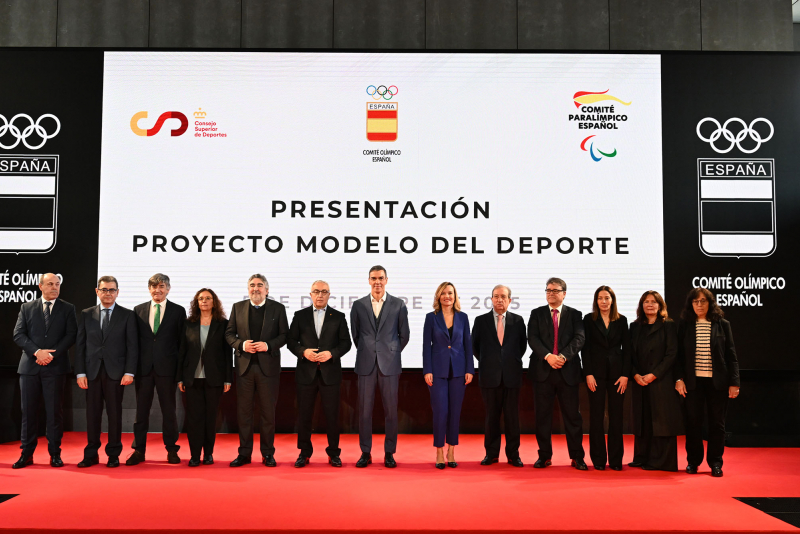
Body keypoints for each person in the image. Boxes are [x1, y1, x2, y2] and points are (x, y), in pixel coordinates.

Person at [12, 273, 77, 469]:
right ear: (40, 286)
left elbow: (71, 335)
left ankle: (55, 454)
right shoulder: (27, 307)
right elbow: (18, 334)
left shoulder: (67, 308)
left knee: (54, 413)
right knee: (28, 413)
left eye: (57, 284)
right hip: (30, 368)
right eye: (50, 284)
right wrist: (37, 352)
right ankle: (27, 454)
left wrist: (51, 355)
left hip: (55, 368)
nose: (55, 287)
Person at [287, 280, 352, 468]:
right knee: (304, 415)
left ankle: (334, 453)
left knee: (332, 416)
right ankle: (304, 453)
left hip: (330, 374)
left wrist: (331, 353)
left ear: (329, 295)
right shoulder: (300, 316)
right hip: (305, 374)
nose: (320, 295)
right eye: (316, 291)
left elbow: (346, 343)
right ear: (311, 294)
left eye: (324, 292)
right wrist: (303, 352)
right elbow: (291, 341)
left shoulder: (338, 317)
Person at [676, 288, 740, 477]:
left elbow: (731, 355)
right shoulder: (685, 325)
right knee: (693, 423)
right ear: (691, 304)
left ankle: (715, 463)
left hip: (717, 383)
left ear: (710, 303)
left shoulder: (722, 324)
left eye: (703, 301)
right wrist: (678, 379)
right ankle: (693, 462)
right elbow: (678, 356)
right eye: (696, 301)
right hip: (692, 383)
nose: (699, 305)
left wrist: (734, 382)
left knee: (717, 424)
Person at [225, 274, 288, 467]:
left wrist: (268, 345)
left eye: (260, 285)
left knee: (268, 414)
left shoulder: (278, 308)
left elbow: (285, 335)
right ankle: (244, 453)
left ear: (267, 290)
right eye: (252, 285)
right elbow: (229, 334)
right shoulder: (238, 307)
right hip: (244, 368)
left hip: (268, 369)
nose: (256, 288)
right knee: (244, 414)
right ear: (248, 289)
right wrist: (241, 345)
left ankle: (268, 453)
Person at [75, 276, 138, 468]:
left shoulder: (127, 315)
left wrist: (130, 372)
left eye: (112, 290)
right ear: (97, 291)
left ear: (117, 292)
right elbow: (80, 346)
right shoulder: (86, 314)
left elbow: (132, 346)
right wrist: (80, 373)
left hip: (116, 373)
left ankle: (113, 454)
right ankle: (91, 454)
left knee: (114, 414)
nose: (108, 293)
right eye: (104, 290)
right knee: (92, 415)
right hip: (91, 373)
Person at [351, 265, 410, 468]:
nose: (377, 282)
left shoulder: (399, 305)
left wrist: (390, 352)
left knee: (391, 412)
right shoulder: (358, 305)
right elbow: (356, 335)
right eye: (373, 278)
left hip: (390, 365)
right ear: (368, 280)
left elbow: (405, 335)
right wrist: (370, 351)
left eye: (381, 278)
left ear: (386, 280)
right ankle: (365, 452)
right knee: (364, 412)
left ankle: (389, 453)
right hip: (366, 364)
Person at [527, 277, 587, 470]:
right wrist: (548, 356)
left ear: (564, 294)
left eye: (555, 290)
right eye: (548, 290)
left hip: (567, 371)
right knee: (542, 417)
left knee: (572, 417)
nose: (551, 293)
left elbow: (579, 338)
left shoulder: (575, 314)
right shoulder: (536, 313)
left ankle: (577, 456)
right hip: (543, 371)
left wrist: (562, 356)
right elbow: (533, 338)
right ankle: (544, 456)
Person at [128, 273, 187, 466]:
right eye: (154, 286)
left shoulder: (178, 311)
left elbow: (181, 344)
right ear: (149, 289)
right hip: (144, 370)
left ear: (168, 289)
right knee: (141, 412)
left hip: (167, 370)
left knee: (169, 412)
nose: (157, 290)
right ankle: (138, 450)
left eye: (161, 286)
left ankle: (172, 450)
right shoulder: (138, 310)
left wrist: (180, 373)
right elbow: (133, 343)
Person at [471, 284, 527, 467]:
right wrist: (491, 362)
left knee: (512, 418)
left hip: (512, 377)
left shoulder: (518, 321)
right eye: (496, 296)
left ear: (510, 300)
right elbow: (475, 347)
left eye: (503, 296)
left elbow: (521, 347)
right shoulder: (481, 321)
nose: (499, 300)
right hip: (489, 376)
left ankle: (513, 455)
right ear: (491, 299)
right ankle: (491, 454)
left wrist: (507, 362)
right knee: (491, 418)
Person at [177, 289, 232, 467]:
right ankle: (194, 455)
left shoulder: (223, 324)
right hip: (192, 379)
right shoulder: (188, 324)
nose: (204, 301)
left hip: (214, 379)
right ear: (196, 302)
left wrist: (227, 379)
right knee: (194, 419)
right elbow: (182, 353)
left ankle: (208, 454)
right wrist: (180, 378)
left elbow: (226, 354)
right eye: (201, 298)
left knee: (210, 418)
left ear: (214, 302)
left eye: (208, 298)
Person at [629, 290, 683, 471]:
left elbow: (672, 354)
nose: (649, 305)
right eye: (646, 302)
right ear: (641, 305)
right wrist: (635, 374)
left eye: (653, 302)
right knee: (643, 420)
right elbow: (629, 354)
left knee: (661, 421)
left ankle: (660, 461)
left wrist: (654, 374)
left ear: (660, 305)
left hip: (661, 381)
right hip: (640, 381)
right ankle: (641, 457)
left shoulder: (668, 325)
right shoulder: (635, 326)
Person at [422, 282, 474, 469]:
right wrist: (427, 370)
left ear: (455, 296)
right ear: (438, 296)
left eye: (450, 293)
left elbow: (468, 345)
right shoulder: (431, 318)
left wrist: (470, 369)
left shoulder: (463, 317)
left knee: (454, 412)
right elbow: (426, 347)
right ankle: (439, 450)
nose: (447, 296)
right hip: (437, 372)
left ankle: (451, 450)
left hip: (459, 372)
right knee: (440, 412)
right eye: (443, 293)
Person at [582, 285, 631, 471]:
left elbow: (627, 351)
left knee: (616, 417)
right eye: (600, 298)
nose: (603, 301)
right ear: (596, 301)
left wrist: (626, 374)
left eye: (607, 298)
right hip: (595, 375)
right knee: (596, 418)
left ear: (612, 300)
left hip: (618, 376)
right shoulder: (588, 319)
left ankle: (616, 460)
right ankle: (599, 460)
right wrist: (588, 373)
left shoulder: (621, 320)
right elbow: (585, 350)